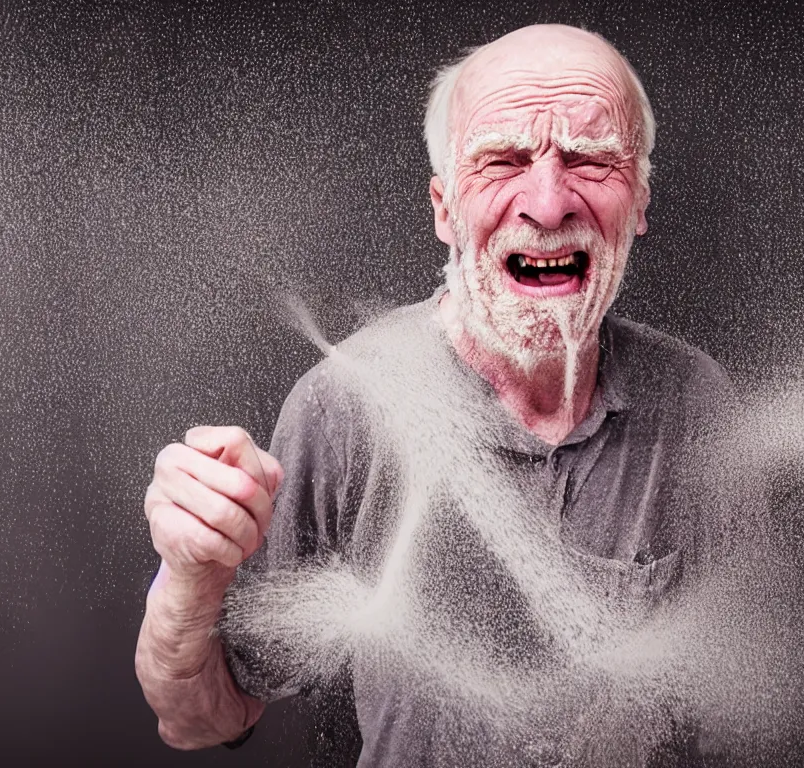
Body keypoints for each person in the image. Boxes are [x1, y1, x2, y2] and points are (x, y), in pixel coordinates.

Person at [135, 24, 746, 767]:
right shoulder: (344, 409)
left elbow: (737, 692)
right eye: (503, 161)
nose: (548, 204)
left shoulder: (697, 407)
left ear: (639, 203)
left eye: (589, 159)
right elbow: (200, 721)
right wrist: (189, 579)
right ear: (444, 209)